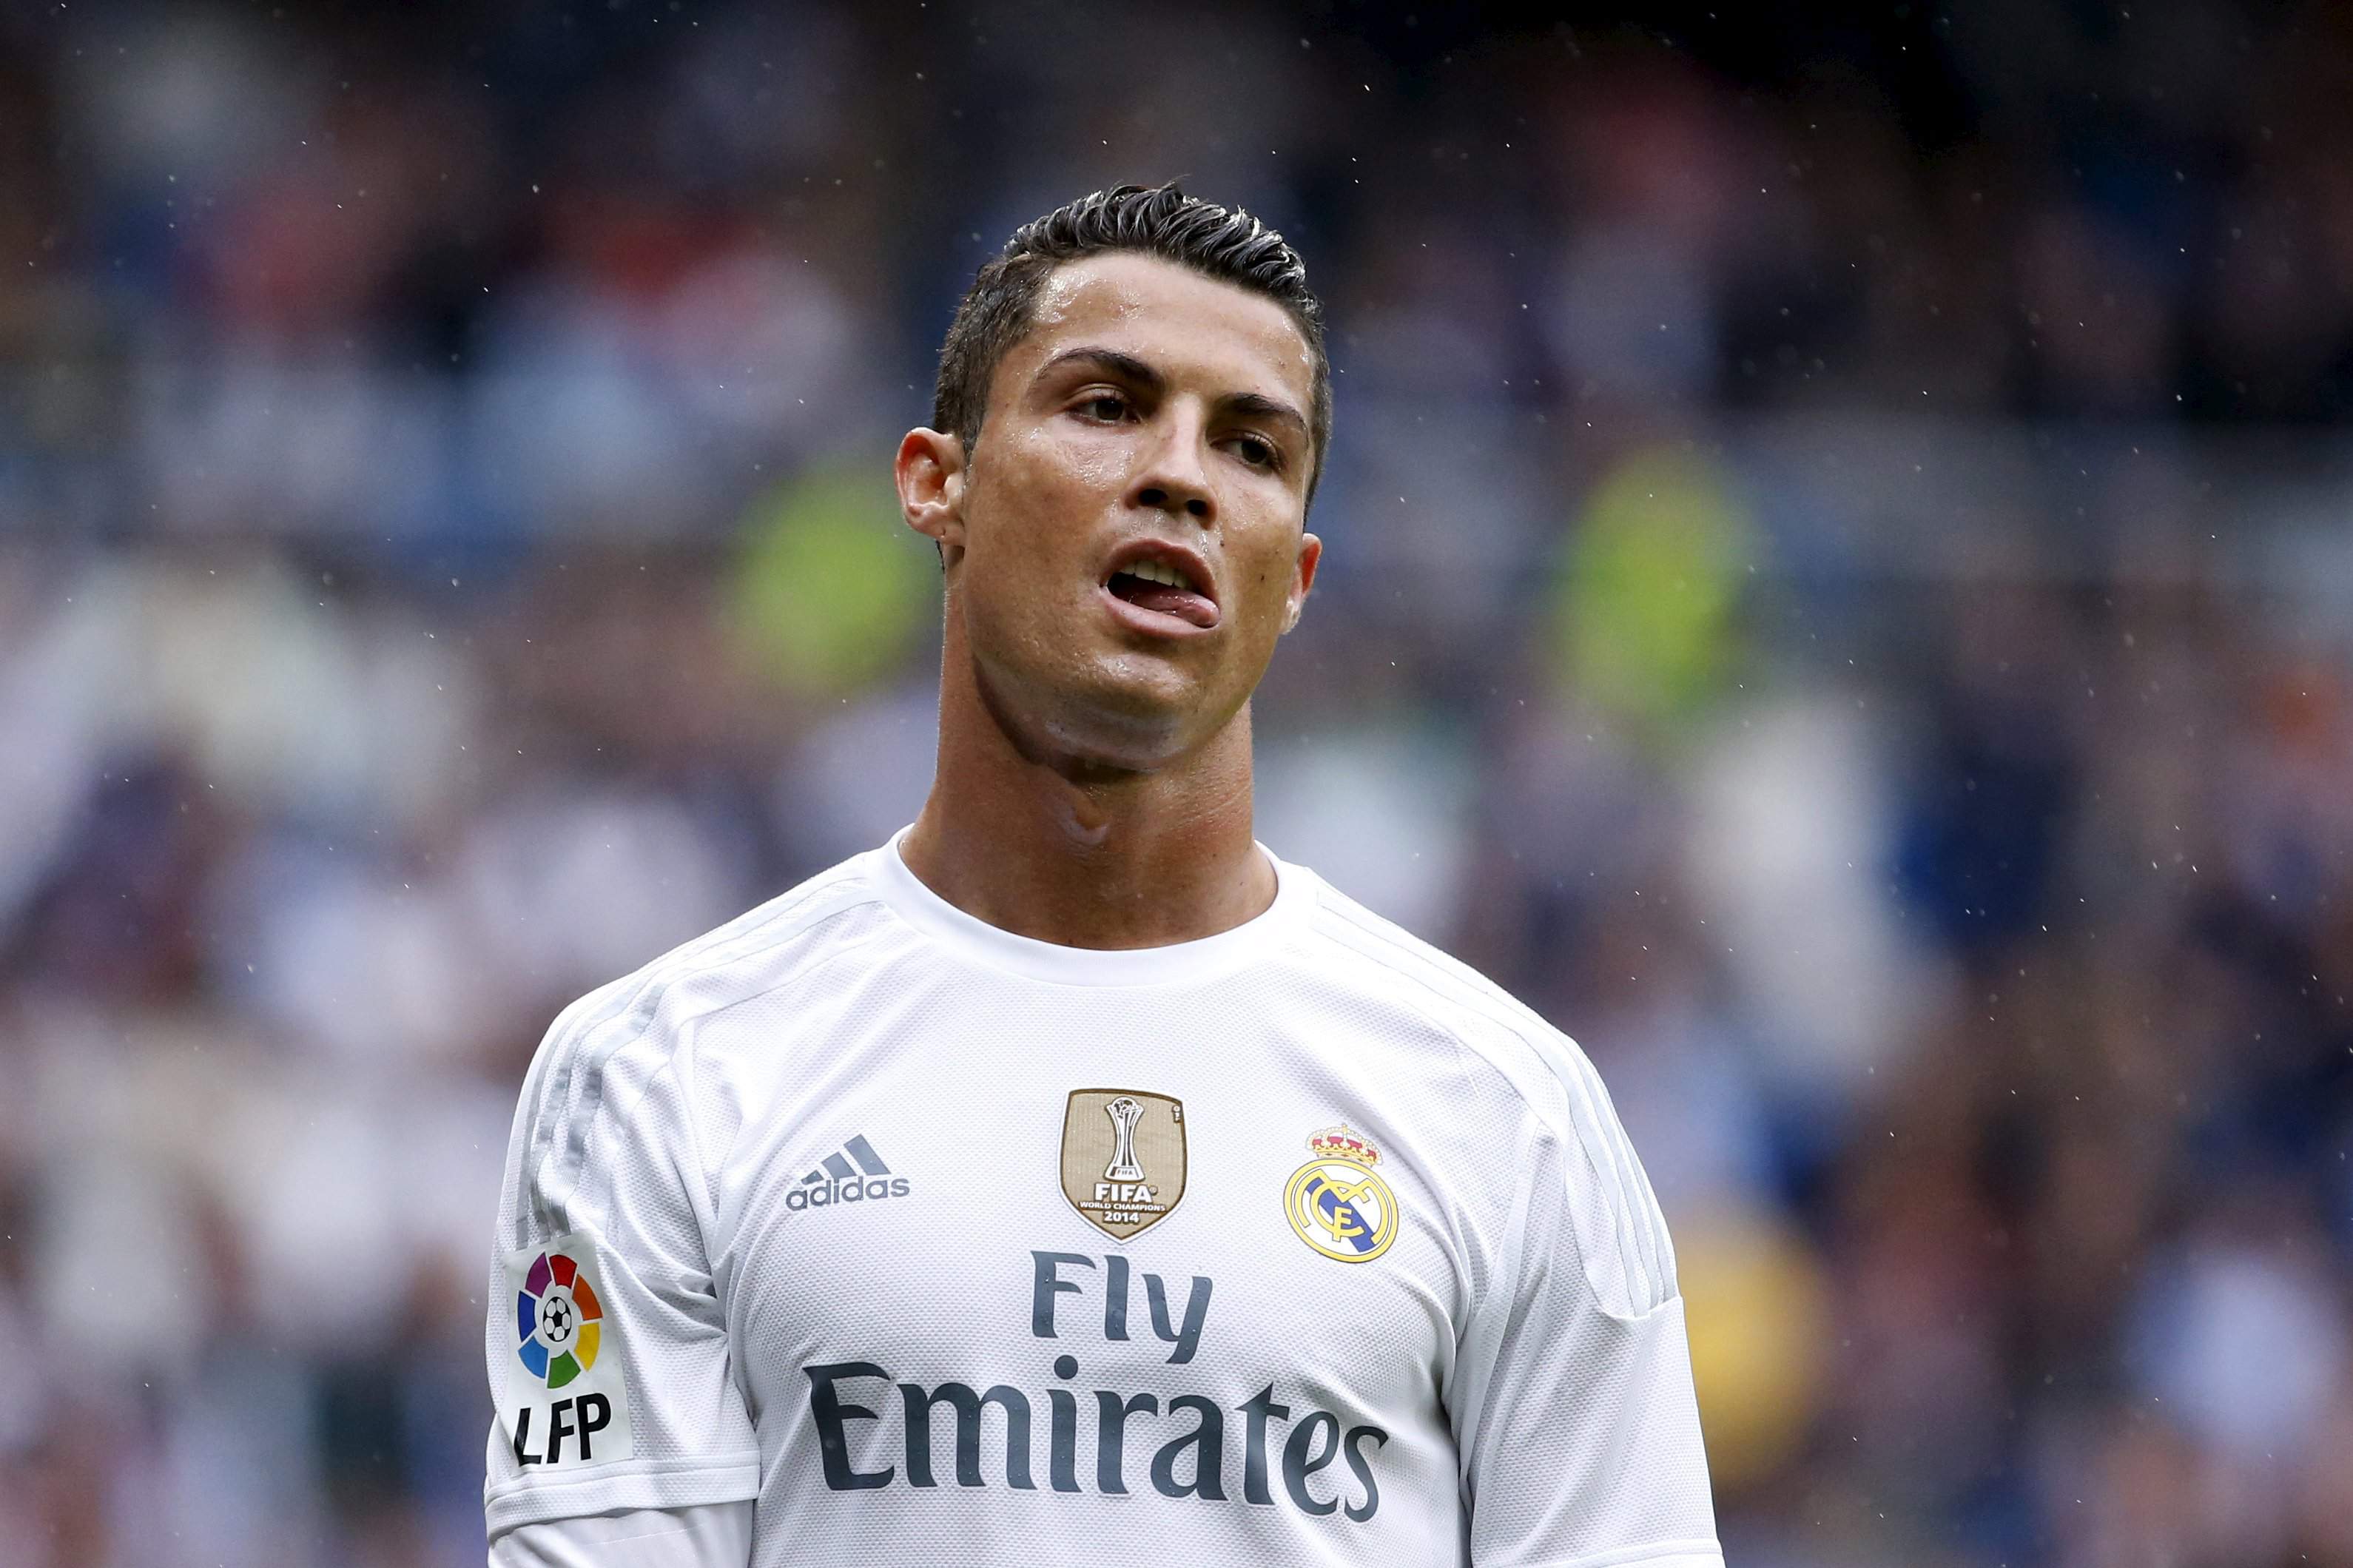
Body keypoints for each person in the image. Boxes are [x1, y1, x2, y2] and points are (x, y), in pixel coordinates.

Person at [482, 183, 1722, 1567]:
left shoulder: (1510, 1113)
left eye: (1252, 446)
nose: (1184, 475)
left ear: (1296, 576)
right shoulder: (661, 1075)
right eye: (1107, 406)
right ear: (935, 484)